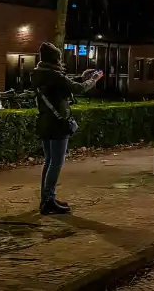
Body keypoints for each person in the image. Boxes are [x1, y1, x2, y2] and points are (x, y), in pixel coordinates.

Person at [32, 42, 102, 215]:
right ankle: (48, 200)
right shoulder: (54, 75)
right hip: (58, 124)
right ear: (55, 58)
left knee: (49, 161)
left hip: (45, 121)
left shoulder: (39, 73)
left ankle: (46, 198)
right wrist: (92, 80)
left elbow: (64, 84)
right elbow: (78, 88)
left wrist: (81, 76)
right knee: (56, 162)